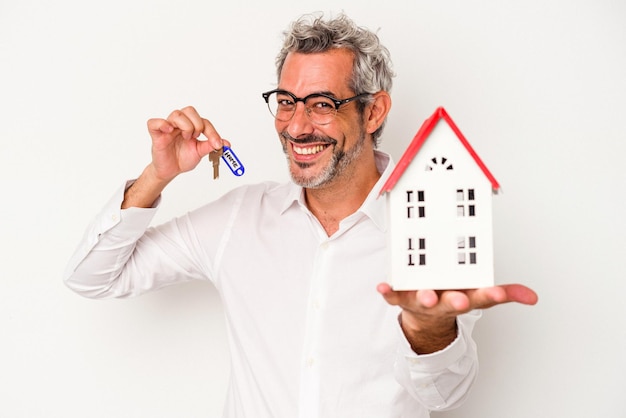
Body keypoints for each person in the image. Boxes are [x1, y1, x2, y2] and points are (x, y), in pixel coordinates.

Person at [64, 12, 537, 418]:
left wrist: (428, 330)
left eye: (322, 105)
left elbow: (445, 394)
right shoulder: (238, 219)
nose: (296, 126)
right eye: (287, 102)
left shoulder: (434, 226)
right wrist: (158, 174)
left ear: (374, 113)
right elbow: (92, 278)